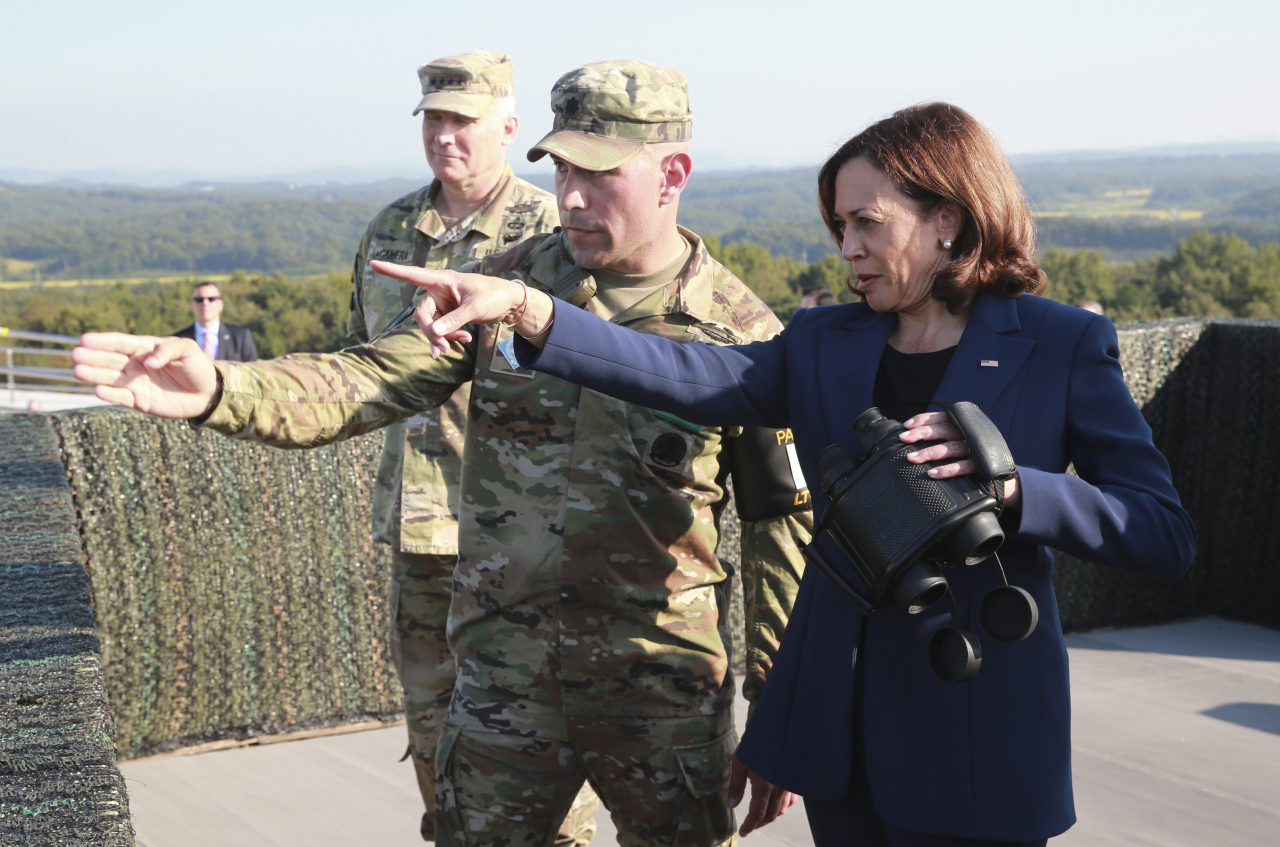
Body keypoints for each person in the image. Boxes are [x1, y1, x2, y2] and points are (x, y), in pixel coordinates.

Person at [385, 102, 1197, 847]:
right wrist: (529, 309)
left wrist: (1018, 489)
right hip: (843, 740)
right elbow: (684, 374)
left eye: (868, 224)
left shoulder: (1060, 346)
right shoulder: (824, 342)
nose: (847, 250)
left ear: (947, 219)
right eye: (839, 225)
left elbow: (1161, 529)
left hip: (979, 731)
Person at [72, 60, 810, 847]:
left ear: (673, 173)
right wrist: (220, 388)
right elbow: (368, 376)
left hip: (658, 689)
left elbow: (781, 533)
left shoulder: (744, 332)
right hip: (504, 683)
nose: (570, 199)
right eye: (561, 170)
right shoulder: (500, 289)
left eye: (599, 175)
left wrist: (786, 709)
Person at [345, 48, 563, 843]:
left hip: (518, 534)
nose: (446, 136)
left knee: (531, 740)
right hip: (418, 531)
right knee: (433, 733)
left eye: (463, 120)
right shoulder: (390, 229)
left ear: (508, 126)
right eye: (434, 119)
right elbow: (355, 365)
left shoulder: (548, 231)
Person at [173, 282, 257, 362]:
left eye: (211, 299)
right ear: (193, 305)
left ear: (221, 304)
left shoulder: (240, 336)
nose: (205, 303)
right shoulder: (178, 340)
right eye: (199, 299)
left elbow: (254, 370)